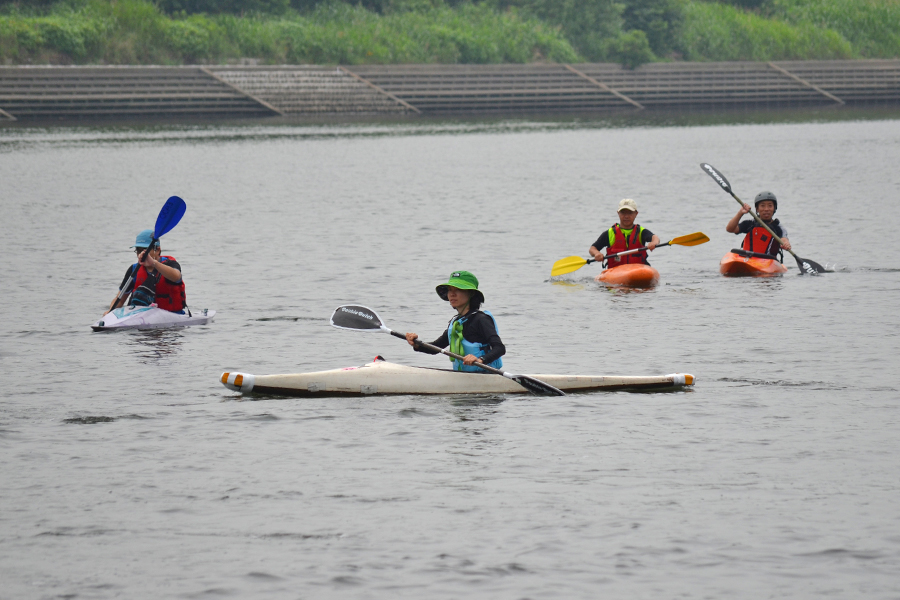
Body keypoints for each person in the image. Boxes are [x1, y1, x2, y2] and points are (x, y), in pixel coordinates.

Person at [405, 271, 505, 372]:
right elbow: (437, 347)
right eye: (450, 290)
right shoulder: (456, 322)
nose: (452, 294)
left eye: (458, 289)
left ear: (471, 293)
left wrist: (480, 360)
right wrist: (416, 344)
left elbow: (500, 348)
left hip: (486, 376)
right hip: (464, 377)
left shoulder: (481, 319)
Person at [106, 229, 186, 314]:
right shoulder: (134, 269)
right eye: (139, 250)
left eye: (145, 250)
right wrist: (110, 313)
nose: (142, 254)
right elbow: (120, 300)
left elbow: (176, 277)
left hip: (172, 317)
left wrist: (154, 263)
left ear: (158, 250)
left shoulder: (171, 264)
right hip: (142, 318)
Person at [589, 198, 660, 266]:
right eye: (623, 213)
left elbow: (655, 237)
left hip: (639, 270)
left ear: (636, 214)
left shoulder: (641, 231)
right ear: (618, 213)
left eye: (630, 213)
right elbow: (593, 248)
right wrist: (597, 254)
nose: (626, 216)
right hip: (616, 271)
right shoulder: (610, 233)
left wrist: (653, 243)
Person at [725, 191, 791, 257]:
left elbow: (784, 239)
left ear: (774, 208)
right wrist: (740, 213)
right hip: (747, 259)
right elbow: (730, 229)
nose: (766, 209)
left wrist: (785, 244)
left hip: (768, 262)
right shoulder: (750, 224)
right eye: (762, 206)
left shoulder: (778, 228)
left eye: (770, 206)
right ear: (757, 209)